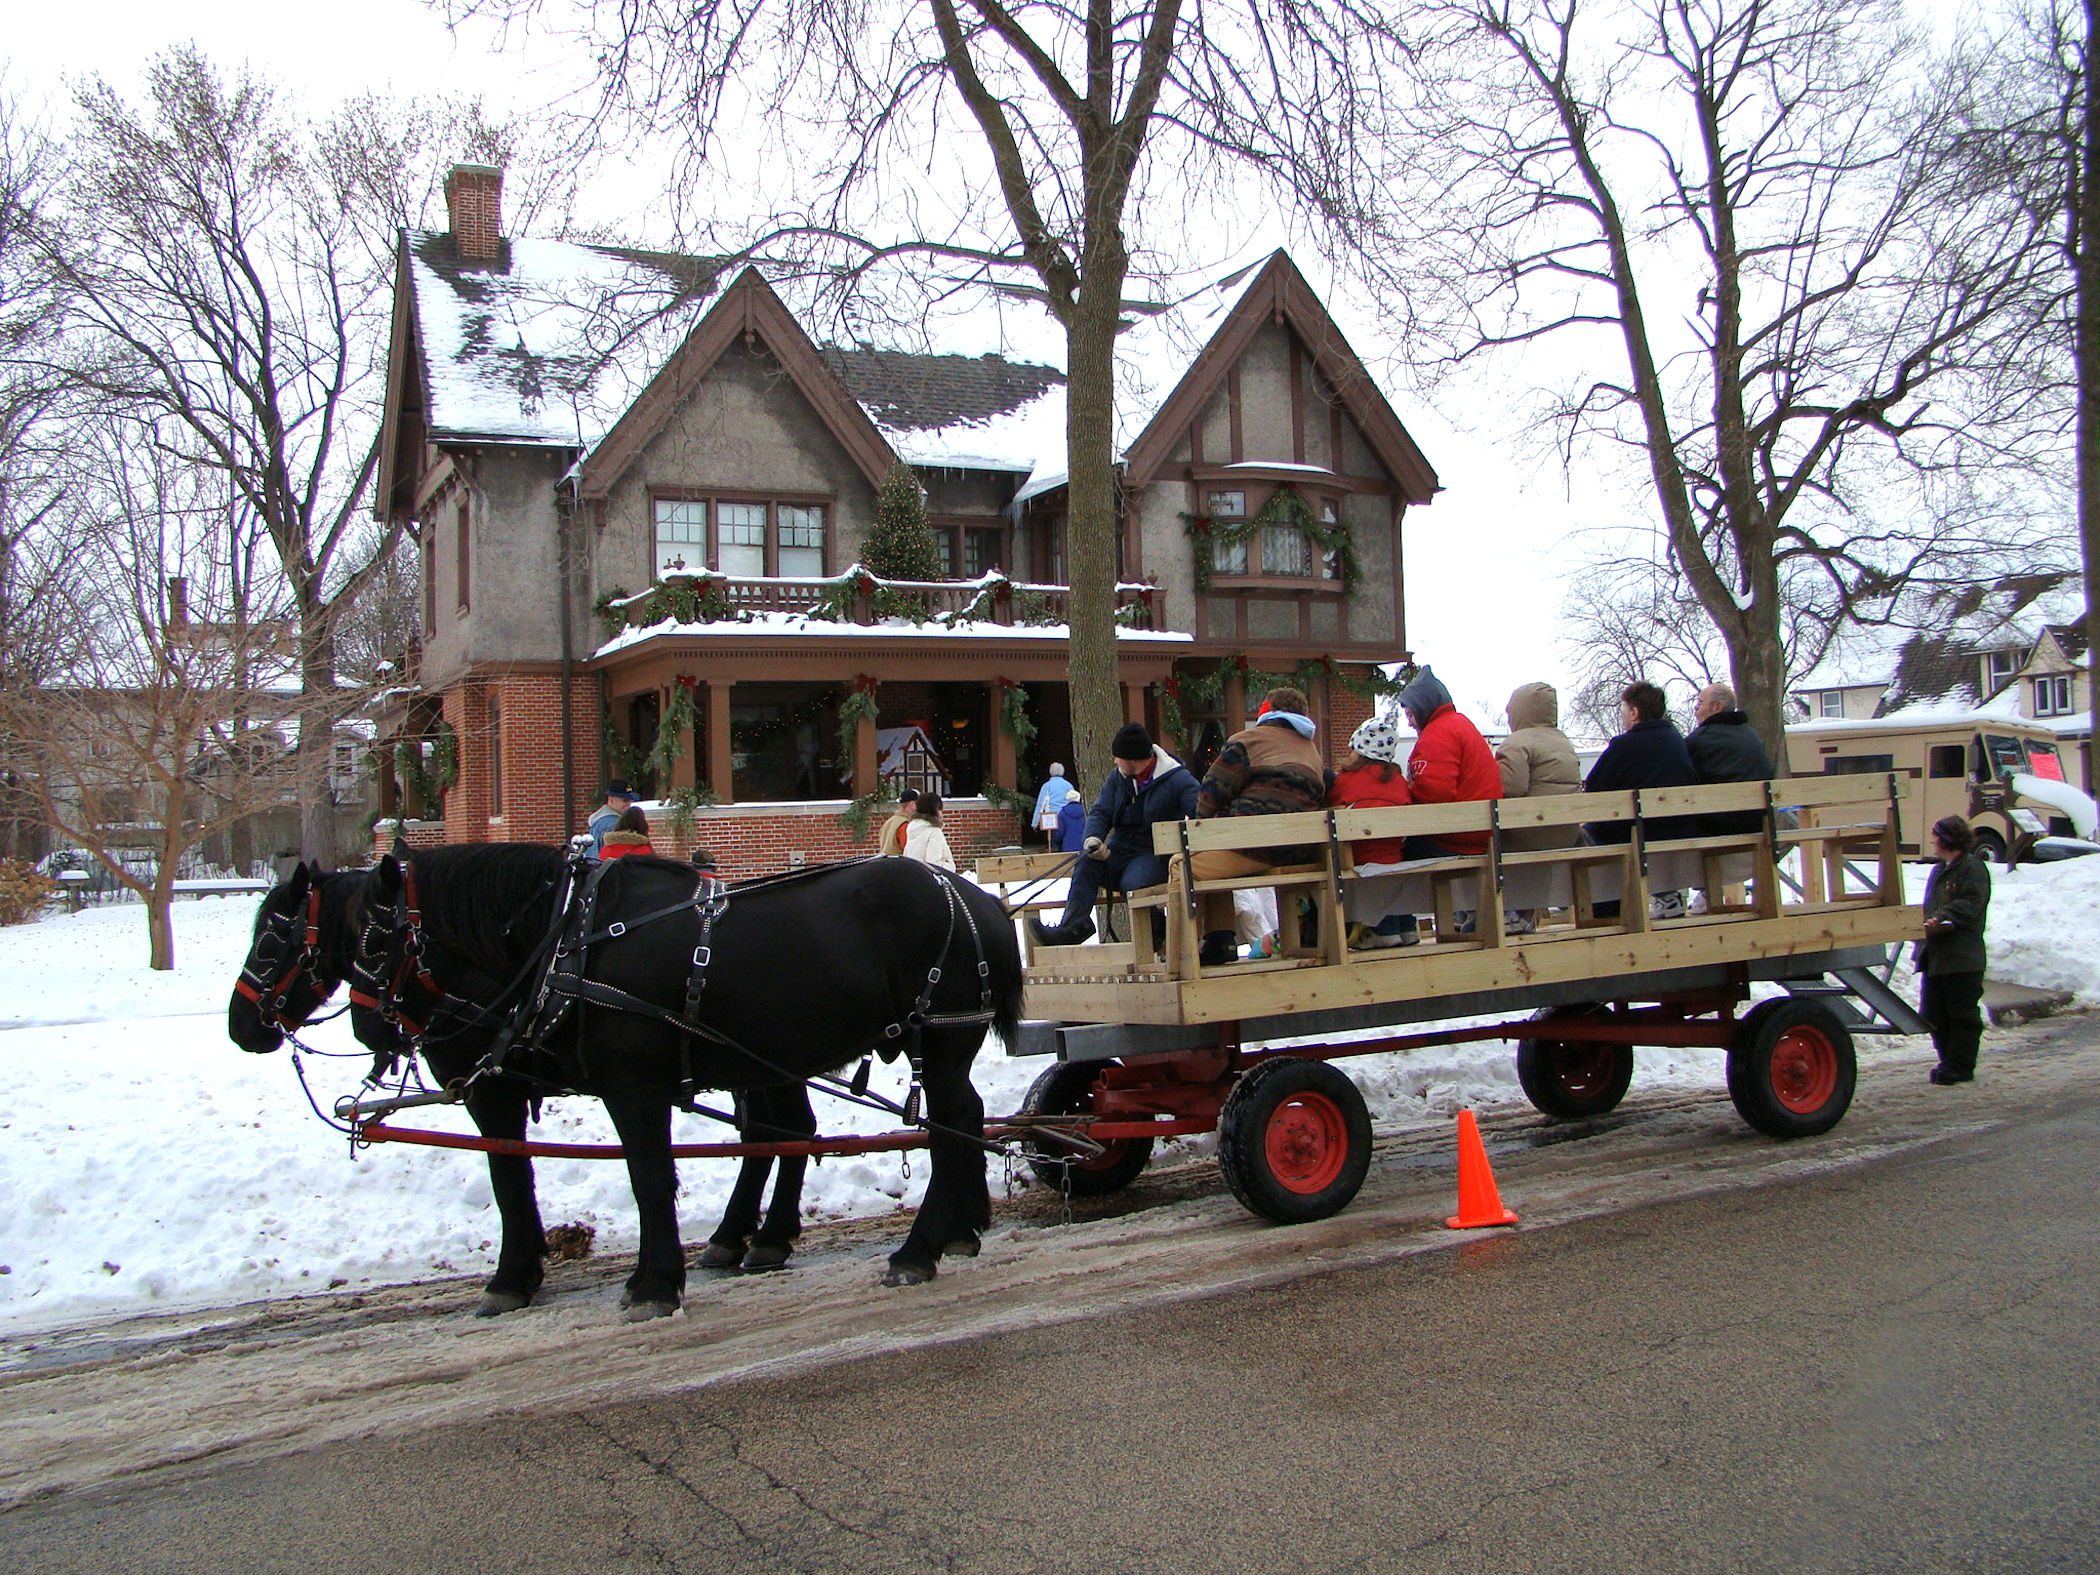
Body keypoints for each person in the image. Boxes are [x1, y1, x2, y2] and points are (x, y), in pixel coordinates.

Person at [1185, 687, 1328, 967]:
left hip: (1254, 846)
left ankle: (1199, 948)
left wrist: (1204, 819)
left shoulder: (1247, 741)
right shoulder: (1312, 752)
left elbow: (1212, 792)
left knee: (1185, 866)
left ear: (1267, 710)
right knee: (1213, 858)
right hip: (1299, 850)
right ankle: (1223, 938)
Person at [1032, 722, 1200, 946]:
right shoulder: (1117, 778)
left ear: (1133, 759)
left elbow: (1200, 812)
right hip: (1119, 851)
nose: (1114, 761)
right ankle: (1072, 929)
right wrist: (1092, 839)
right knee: (1086, 864)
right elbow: (1101, 811)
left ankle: (1158, 933)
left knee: (1134, 882)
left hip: (1154, 854)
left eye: (1118, 757)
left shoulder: (1178, 780)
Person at [1584, 681, 1699, 919]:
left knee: (1592, 835)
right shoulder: (1676, 741)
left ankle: (1609, 911)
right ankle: (1667, 895)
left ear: (1635, 713)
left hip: (1639, 832)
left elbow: (1595, 786)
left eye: (1625, 710)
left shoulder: (1625, 745)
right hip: (1679, 828)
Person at [1494, 681, 1582, 934]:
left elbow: (1511, 788)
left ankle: (1507, 910)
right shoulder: (1563, 741)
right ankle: (1525, 911)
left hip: (1530, 832)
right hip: (1565, 831)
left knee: (1484, 841)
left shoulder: (1517, 743)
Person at [1328, 715, 1415, 950]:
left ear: (1359, 749)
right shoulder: (1398, 781)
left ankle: (1382, 931)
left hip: (1359, 857)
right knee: (1393, 870)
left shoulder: (1345, 780)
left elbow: (1330, 809)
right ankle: (1407, 927)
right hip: (1395, 857)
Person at [1917, 814, 1991, 1085]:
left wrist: (1944, 916)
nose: (1933, 841)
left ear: (1948, 839)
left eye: (1936, 835)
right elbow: (1930, 905)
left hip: (1962, 958)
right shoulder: (1939, 870)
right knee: (1933, 1013)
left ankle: (1960, 1065)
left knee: (1962, 1015)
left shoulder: (1973, 869)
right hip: (1937, 957)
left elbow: (1970, 904)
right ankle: (1947, 1059)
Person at [1685, 682, 1776, 835]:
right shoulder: (1752, 736)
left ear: (1717, 706)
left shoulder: (1699, 740)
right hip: (1757, 822)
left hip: (1718, 825)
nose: (1696, 708)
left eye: (1700, 703)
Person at [900, 791, 957, 871]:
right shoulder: (934, 832)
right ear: (936, 809)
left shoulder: (912, 829)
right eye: (940, 809)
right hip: (928, 880)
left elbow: (907, 857)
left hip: (913, 876)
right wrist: (950, 866)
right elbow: (933, 864)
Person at [586, 780, 636, 859]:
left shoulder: (599, 820)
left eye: (630, 800)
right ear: (611, 800)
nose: (628, 804)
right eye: (625, 800)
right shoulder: (613, 824)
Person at [1031, 764, 1070, 847]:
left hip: (1052, 818)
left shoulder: (1047, 786)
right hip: (1066, 817)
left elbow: (1040, 805)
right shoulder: (1068, 785)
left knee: (1054, 841)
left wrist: (1035, 823)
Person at [876, 787, 920, 857]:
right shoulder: (905, 825)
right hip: (899, 865)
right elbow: (909, 851)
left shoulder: (889, 822)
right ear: (912, 804)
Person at [1055, 787, 1086, 854]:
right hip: (1084, 846)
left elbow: (1059, 833)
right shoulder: (1085, 811)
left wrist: (1056, 844)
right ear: (1079, 798)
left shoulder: (1062, 813)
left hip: (1067, 847)